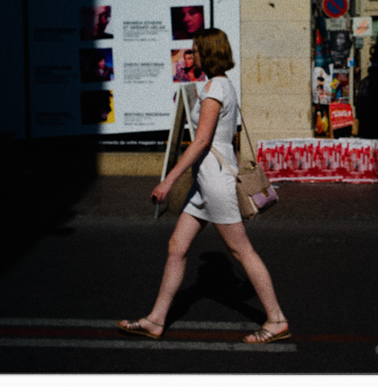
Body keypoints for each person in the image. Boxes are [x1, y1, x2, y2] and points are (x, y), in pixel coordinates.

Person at [118, 28, 290, 344]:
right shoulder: (221, 85)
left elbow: (201, 141)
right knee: (177, 247)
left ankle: (277, 319)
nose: (192, 55)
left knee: (241, 250)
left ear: (208, 53)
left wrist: (168, 180)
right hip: (204, 183)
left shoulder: (215, 88)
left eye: (196, 50)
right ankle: (156, 320)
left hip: (214, 182)